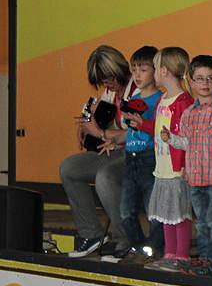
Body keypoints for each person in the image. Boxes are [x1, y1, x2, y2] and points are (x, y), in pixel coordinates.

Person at [61, 45, 137, 258]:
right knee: (69, 168)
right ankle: (92, 234)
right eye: (103, 81)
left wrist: (99, 132)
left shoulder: (137, 90)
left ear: (119, 70)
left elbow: (138, 134)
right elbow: (96, 118)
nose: (107, 84)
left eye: (109, 79)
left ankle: (125, 238)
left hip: (136, 154)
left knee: (105, 176)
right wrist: (85, 124)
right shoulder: (109, 93)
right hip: (113, 151)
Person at [163, 55, 212, 276]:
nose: (205, 83)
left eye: (211, 78)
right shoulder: (189, 113)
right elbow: (187, 142)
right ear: (191, 82)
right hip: (195, 179)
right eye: (200, 78)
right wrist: (171, 139)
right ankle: (203, 259)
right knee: (201, 222)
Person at [106, 45, 164, 261]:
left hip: (150, 159)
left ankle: (155, 250)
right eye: (134, 69)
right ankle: (139, 248)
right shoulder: (133, 98)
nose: (137, 75)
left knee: (153, 211)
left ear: (156, 71)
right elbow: (130, 131)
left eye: (143, 69)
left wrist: (143, 124)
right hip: (131, 160)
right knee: (126, 212)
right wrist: (114, 141)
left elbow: (160, 131)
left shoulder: (160, 100)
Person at [141, 47, 194, 272]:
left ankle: (181, 256)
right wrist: (141, 124)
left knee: (179, 213)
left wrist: (183, 165)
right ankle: (169, 253)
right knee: (166, 213)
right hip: (162, 167)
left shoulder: (183, 101)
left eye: (155, 67)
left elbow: (187, 137)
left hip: (176, 169)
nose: (154, 72)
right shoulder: (163, 99)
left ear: (164, 71)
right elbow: (158, 129)